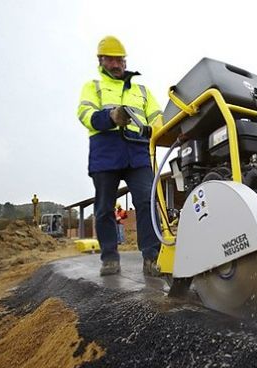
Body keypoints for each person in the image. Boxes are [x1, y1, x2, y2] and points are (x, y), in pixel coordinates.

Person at [77, 36, 162, 276]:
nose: (116, 64)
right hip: (106, 151)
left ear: (125, 61)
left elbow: (157, 118)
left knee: (146, 201)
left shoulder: (142, 90)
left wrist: (169, 130)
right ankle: (110, 258)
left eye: (120, 60)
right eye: (111, 59)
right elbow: (85, 114)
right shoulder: (92, 87)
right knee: (104, 207)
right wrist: (111, 117)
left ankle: (152, 256)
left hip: (138, 151)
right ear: (101, 60)